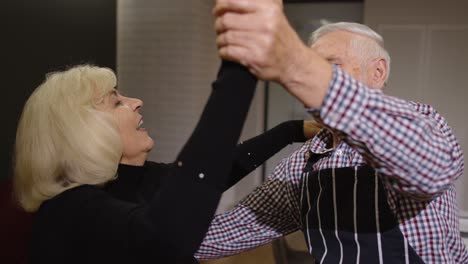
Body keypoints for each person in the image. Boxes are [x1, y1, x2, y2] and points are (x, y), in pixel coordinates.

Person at [196, 0, 468, 263]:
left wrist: (296, 64)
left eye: (331, 67)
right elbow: (233, 229)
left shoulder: (422, 123)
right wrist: (159, 233)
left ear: (377, 72)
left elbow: (430, 170)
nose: (314, 81)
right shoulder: (301, 165)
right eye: (316, 66)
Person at [13, 58, 320, 264]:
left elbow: (217, 170)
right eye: (116, 101)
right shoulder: (71, 210)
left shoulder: (136, 180)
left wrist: (292, 130)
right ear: (83, 130)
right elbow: (165, 235)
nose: (136, 102)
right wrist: (239, 71)